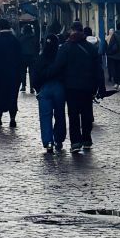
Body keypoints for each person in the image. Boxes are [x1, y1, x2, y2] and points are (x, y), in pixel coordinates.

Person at [59, 23, 106, 153]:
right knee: (86, 113)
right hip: (87, 86)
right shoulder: (91, 48)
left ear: (71, 31)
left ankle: (75, 142)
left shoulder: (66, 47)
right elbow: (98, 69)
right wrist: (100, 87)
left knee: (73, 115)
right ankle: (86, 139)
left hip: (71, 87)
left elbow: (59, 66)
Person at [32, 22, 68, 153]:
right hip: (59, 87)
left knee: (45, 116)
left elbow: (34, 76)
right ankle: (59, 139)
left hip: (44, 88)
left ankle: (48, 142)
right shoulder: (60, 57)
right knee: (60, 114)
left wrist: (38, 89)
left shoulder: (40, 58)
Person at [0, 18, 24, 129]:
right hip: (13, 73)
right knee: (13, 94)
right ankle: (12, 118)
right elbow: (20, 58)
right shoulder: (15, 40)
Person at [19, 22, 40, 94]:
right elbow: (37, 47)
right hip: (32, 57)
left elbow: (19, 47)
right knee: (32, 72)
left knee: (23, 72)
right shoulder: (34, 38)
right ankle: (32, 87)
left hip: (23, 57)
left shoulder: (21, 38)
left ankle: (23, 86)